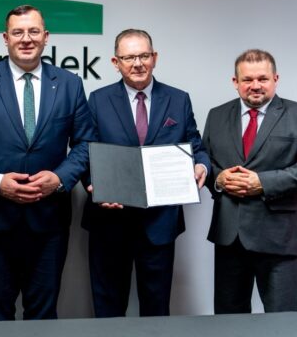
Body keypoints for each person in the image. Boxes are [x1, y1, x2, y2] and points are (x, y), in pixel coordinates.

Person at [0, 4, 96, 321]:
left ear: (46, 36)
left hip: (49, 221)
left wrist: (60, 178)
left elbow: (86, 143)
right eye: (18, 32)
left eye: (33, 31)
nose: (26, 39)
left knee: (43, 316)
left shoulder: (69, 84)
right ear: (6, 38)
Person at [82, 29, 209, 317]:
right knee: (108, 311)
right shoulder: (98, 100)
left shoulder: (178, 99)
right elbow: (86, 152)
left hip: (159, 224)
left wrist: (201, 165)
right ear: (116, 62)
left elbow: (195, 146)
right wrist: (93, 184)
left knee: (156, 311)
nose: (137, 63)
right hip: (109, 221)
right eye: (129, 57)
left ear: (155, 57)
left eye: (143, 56)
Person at [203, 49, 297, 313]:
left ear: (275, 79)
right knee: (228, 323)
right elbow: (204, 163)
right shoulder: (216, 115)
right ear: (235, 82)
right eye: (247, 79)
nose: (255, 85)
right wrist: (219, 179)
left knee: (282, 322)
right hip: (230, 237)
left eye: (263, 78)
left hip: (279, 237)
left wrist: (262, 182)